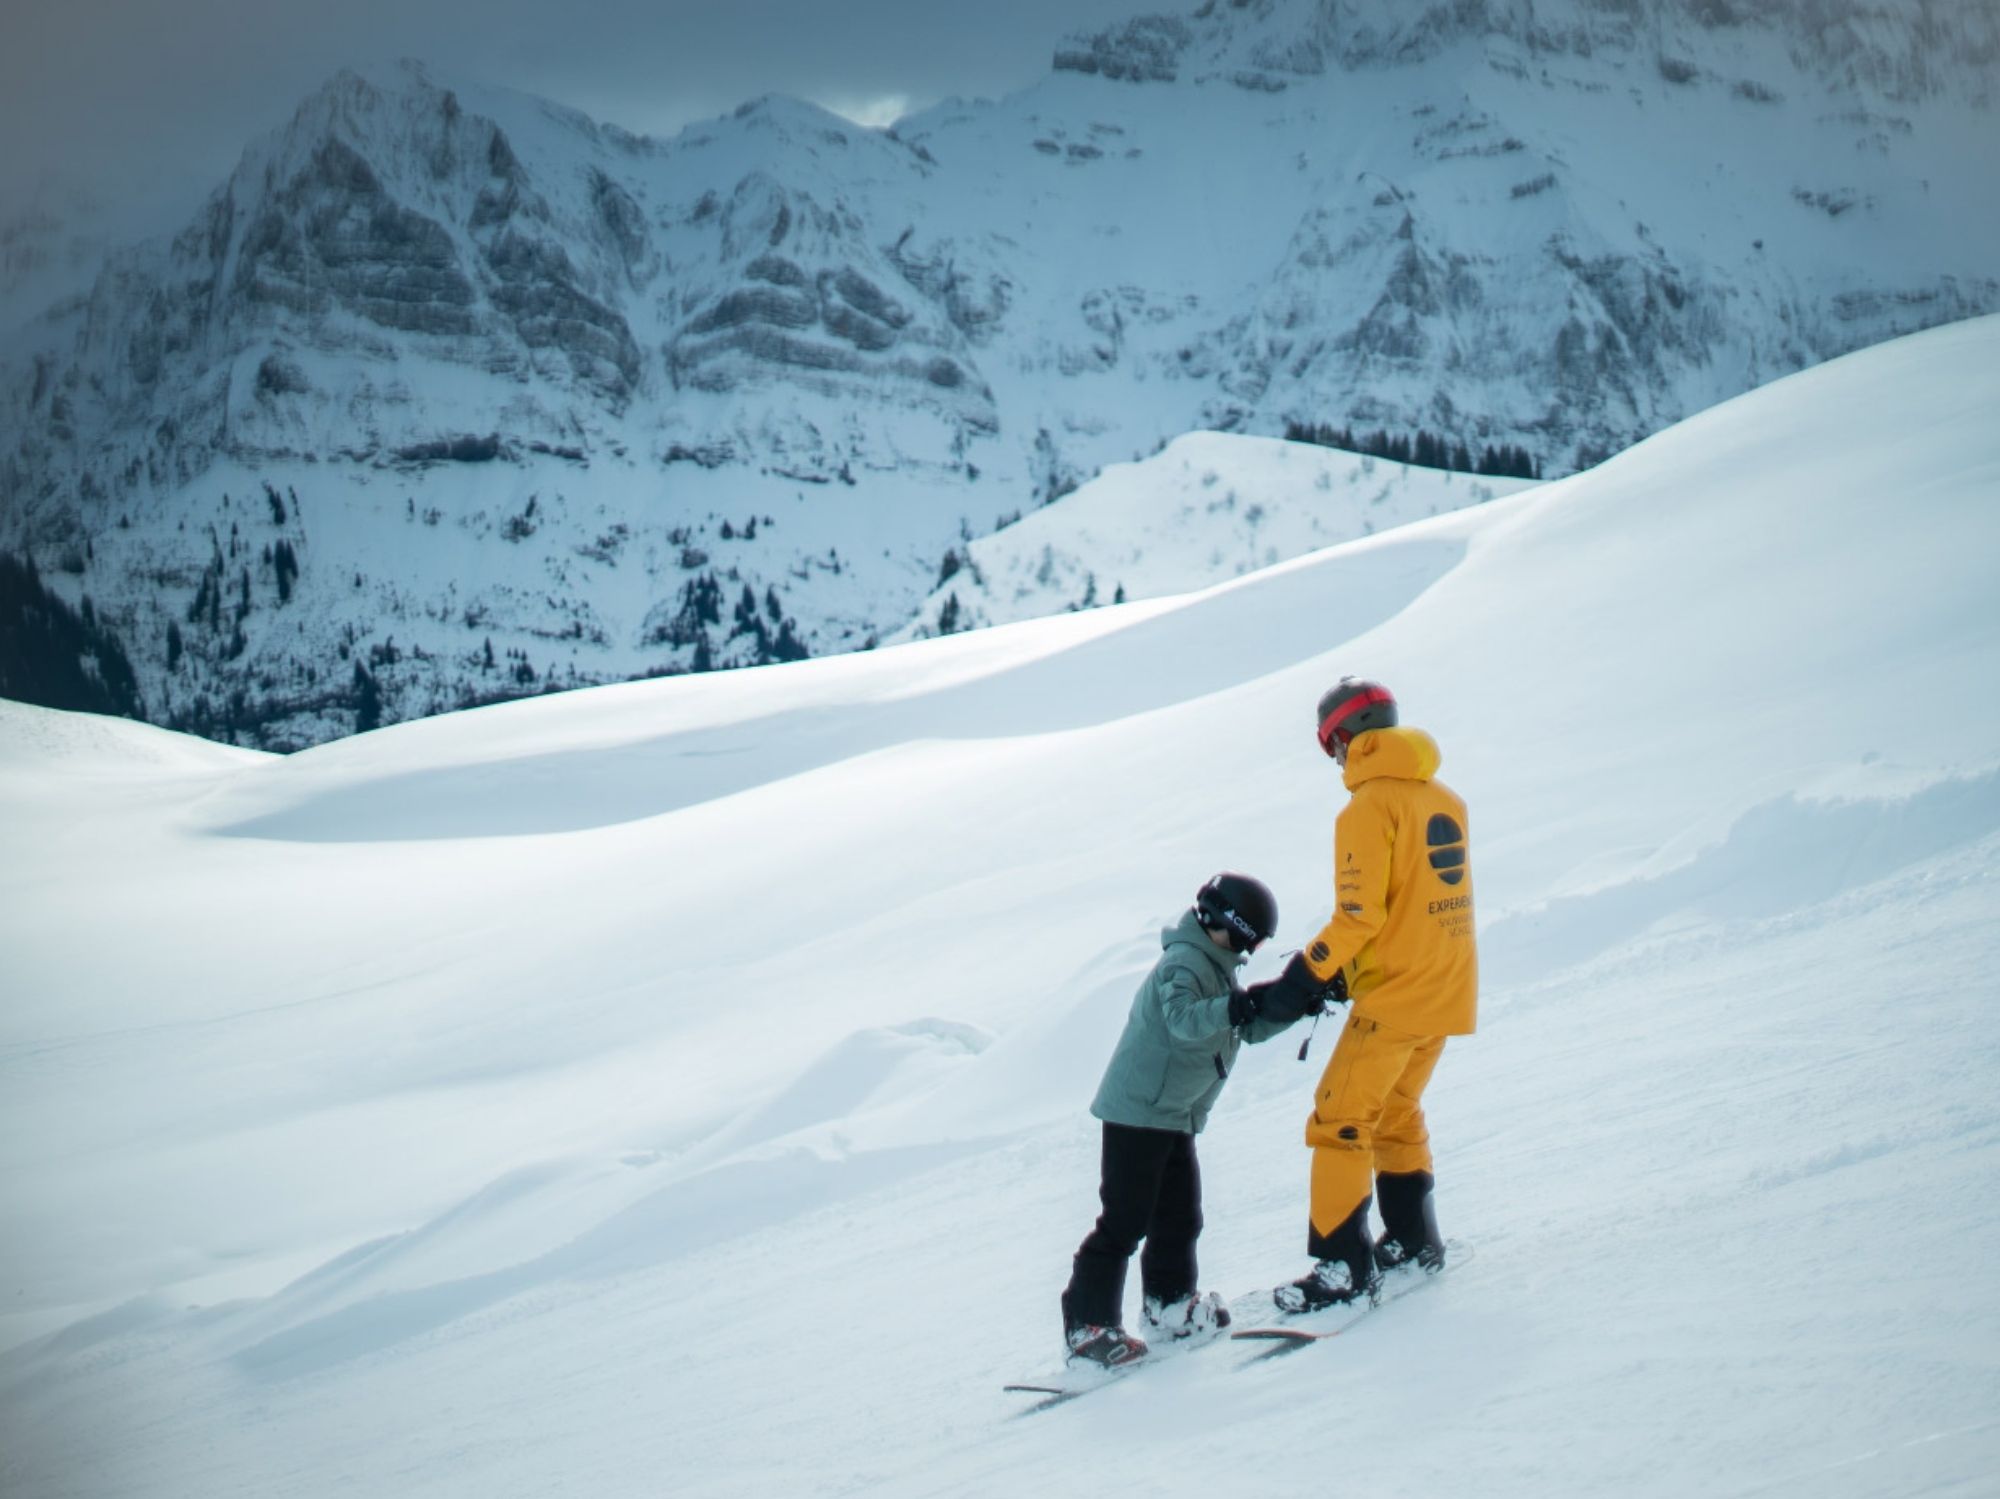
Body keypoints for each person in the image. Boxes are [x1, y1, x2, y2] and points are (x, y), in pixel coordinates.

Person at [1060, 872, 1332, 1365]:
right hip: (1138, 1112)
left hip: (1173, 1114)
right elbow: (1185, 1020)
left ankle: (1170, 1306)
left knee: (1180, 1217)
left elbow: (1241, 1029)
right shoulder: (1184, 962)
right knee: (1123, 1222)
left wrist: (1290, 1004)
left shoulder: (1214, 963)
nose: (1248, 952)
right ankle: (1087, 1325)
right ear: (1221, 922)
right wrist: (1241, 1003)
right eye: (1246, 941)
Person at [1271, 677, 1479, 1313]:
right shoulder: (1442, 797)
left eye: (1332, 746)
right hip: (1446, 988)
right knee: (1396, 1112)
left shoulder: (1367, 807)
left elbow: (1359, 914)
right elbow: (1415, 901)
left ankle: (1343, 1270)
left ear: (1345, 737)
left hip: (1397, 997)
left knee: (1339, 1118)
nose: (1335, 759)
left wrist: (1306, 974)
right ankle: (1416, 1240)